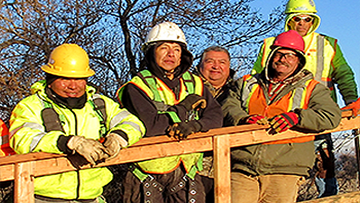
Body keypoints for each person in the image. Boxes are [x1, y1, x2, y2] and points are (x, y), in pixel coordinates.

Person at [9, 43, 145, 202]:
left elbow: (133, 123)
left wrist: (119, 137)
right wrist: (68, 143)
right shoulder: (31, 106)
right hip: (43, 198)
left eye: (79, 79)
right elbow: (23, 138)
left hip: (92, 197)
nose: (73, 85)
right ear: (50, 79)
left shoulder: (99, 105)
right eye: (65, 79)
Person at [251, 0, 359, 197]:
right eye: (296, 18)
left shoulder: (327, 44)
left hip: (317, 116)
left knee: (324, 163)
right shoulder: (269, 45)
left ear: (313, 21)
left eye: (307, 19)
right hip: (279, 118)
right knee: (278, 166)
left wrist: (352, 101)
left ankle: (329, 199)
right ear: (288, 20)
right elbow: (253, 81)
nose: (301, 23)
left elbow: (344, 75)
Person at [222, 30, 341, 203]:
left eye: (290, 56)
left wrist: (297, 117)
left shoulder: (312, 88)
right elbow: (227, 106)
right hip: (243, 167)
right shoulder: (247, 83)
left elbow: (332, 116)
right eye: (279, 54)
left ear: (299, 61)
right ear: (271, 56)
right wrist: (242, 119)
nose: (283, 59)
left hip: (285, 170)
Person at [117, 22, 223, 203]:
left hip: (187, 171)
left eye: (176, 49)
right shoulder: (137, 87)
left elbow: (215, 117)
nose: (171, 54)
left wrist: (195, 125)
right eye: (164, 48)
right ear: (151, 51)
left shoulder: (195, 83)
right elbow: (151, 126)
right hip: (146, 173)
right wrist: (185, 107)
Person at [195, 46, 235, 203]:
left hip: (231, 168)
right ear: (200, 66)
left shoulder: (240, 90)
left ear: (229, 66)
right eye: (210, 61)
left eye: (222, 62)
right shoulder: (187, 87)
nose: (216, 66)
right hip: (194, 168)